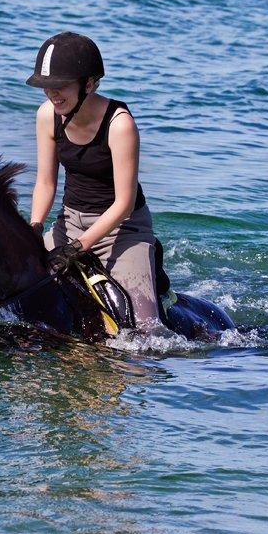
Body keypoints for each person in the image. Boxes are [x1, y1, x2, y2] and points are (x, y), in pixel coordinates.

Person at [26, 31, 170, 331]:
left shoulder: (120, 125)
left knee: (145, 332)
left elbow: (124, 204)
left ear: (89, 84)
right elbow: (45, 183)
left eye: (61, 87)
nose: (53, 95)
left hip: (123, 230)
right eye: (46, 87)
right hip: (69, 222)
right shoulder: (46, 116)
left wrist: (79, 248)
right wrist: (35, 226)